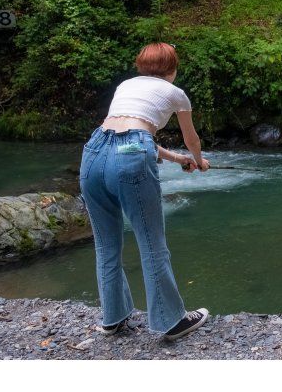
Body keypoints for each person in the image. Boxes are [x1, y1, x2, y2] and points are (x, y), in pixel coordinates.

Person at [79, 42, 211, 341]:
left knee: (106, 245)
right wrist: (199, 162)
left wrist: (178, 160)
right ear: (172, 69)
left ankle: (112, 319)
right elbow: (191, 138)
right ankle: (171, 321)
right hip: (131, 156)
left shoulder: (126, 85)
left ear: (141, 66)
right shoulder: (176, 93)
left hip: (94, 151)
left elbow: (125, 135)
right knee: (152, 243)